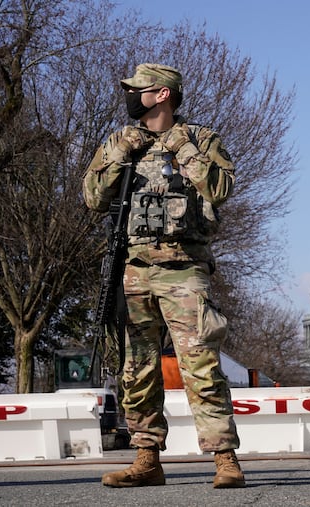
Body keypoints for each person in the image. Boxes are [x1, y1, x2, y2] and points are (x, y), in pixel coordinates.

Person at [83, 63, 244, 489]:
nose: (131, 96)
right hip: (133, 270)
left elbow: (222, 189)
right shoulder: (120, 141)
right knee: (136, 369)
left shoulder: (201, 139)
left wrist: (183, 149)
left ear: (163, 95)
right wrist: (119, 154)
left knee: (202, 364)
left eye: (140, 90)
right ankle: (146, 457)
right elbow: (92, 197)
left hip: (185, 269)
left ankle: (224, 458)